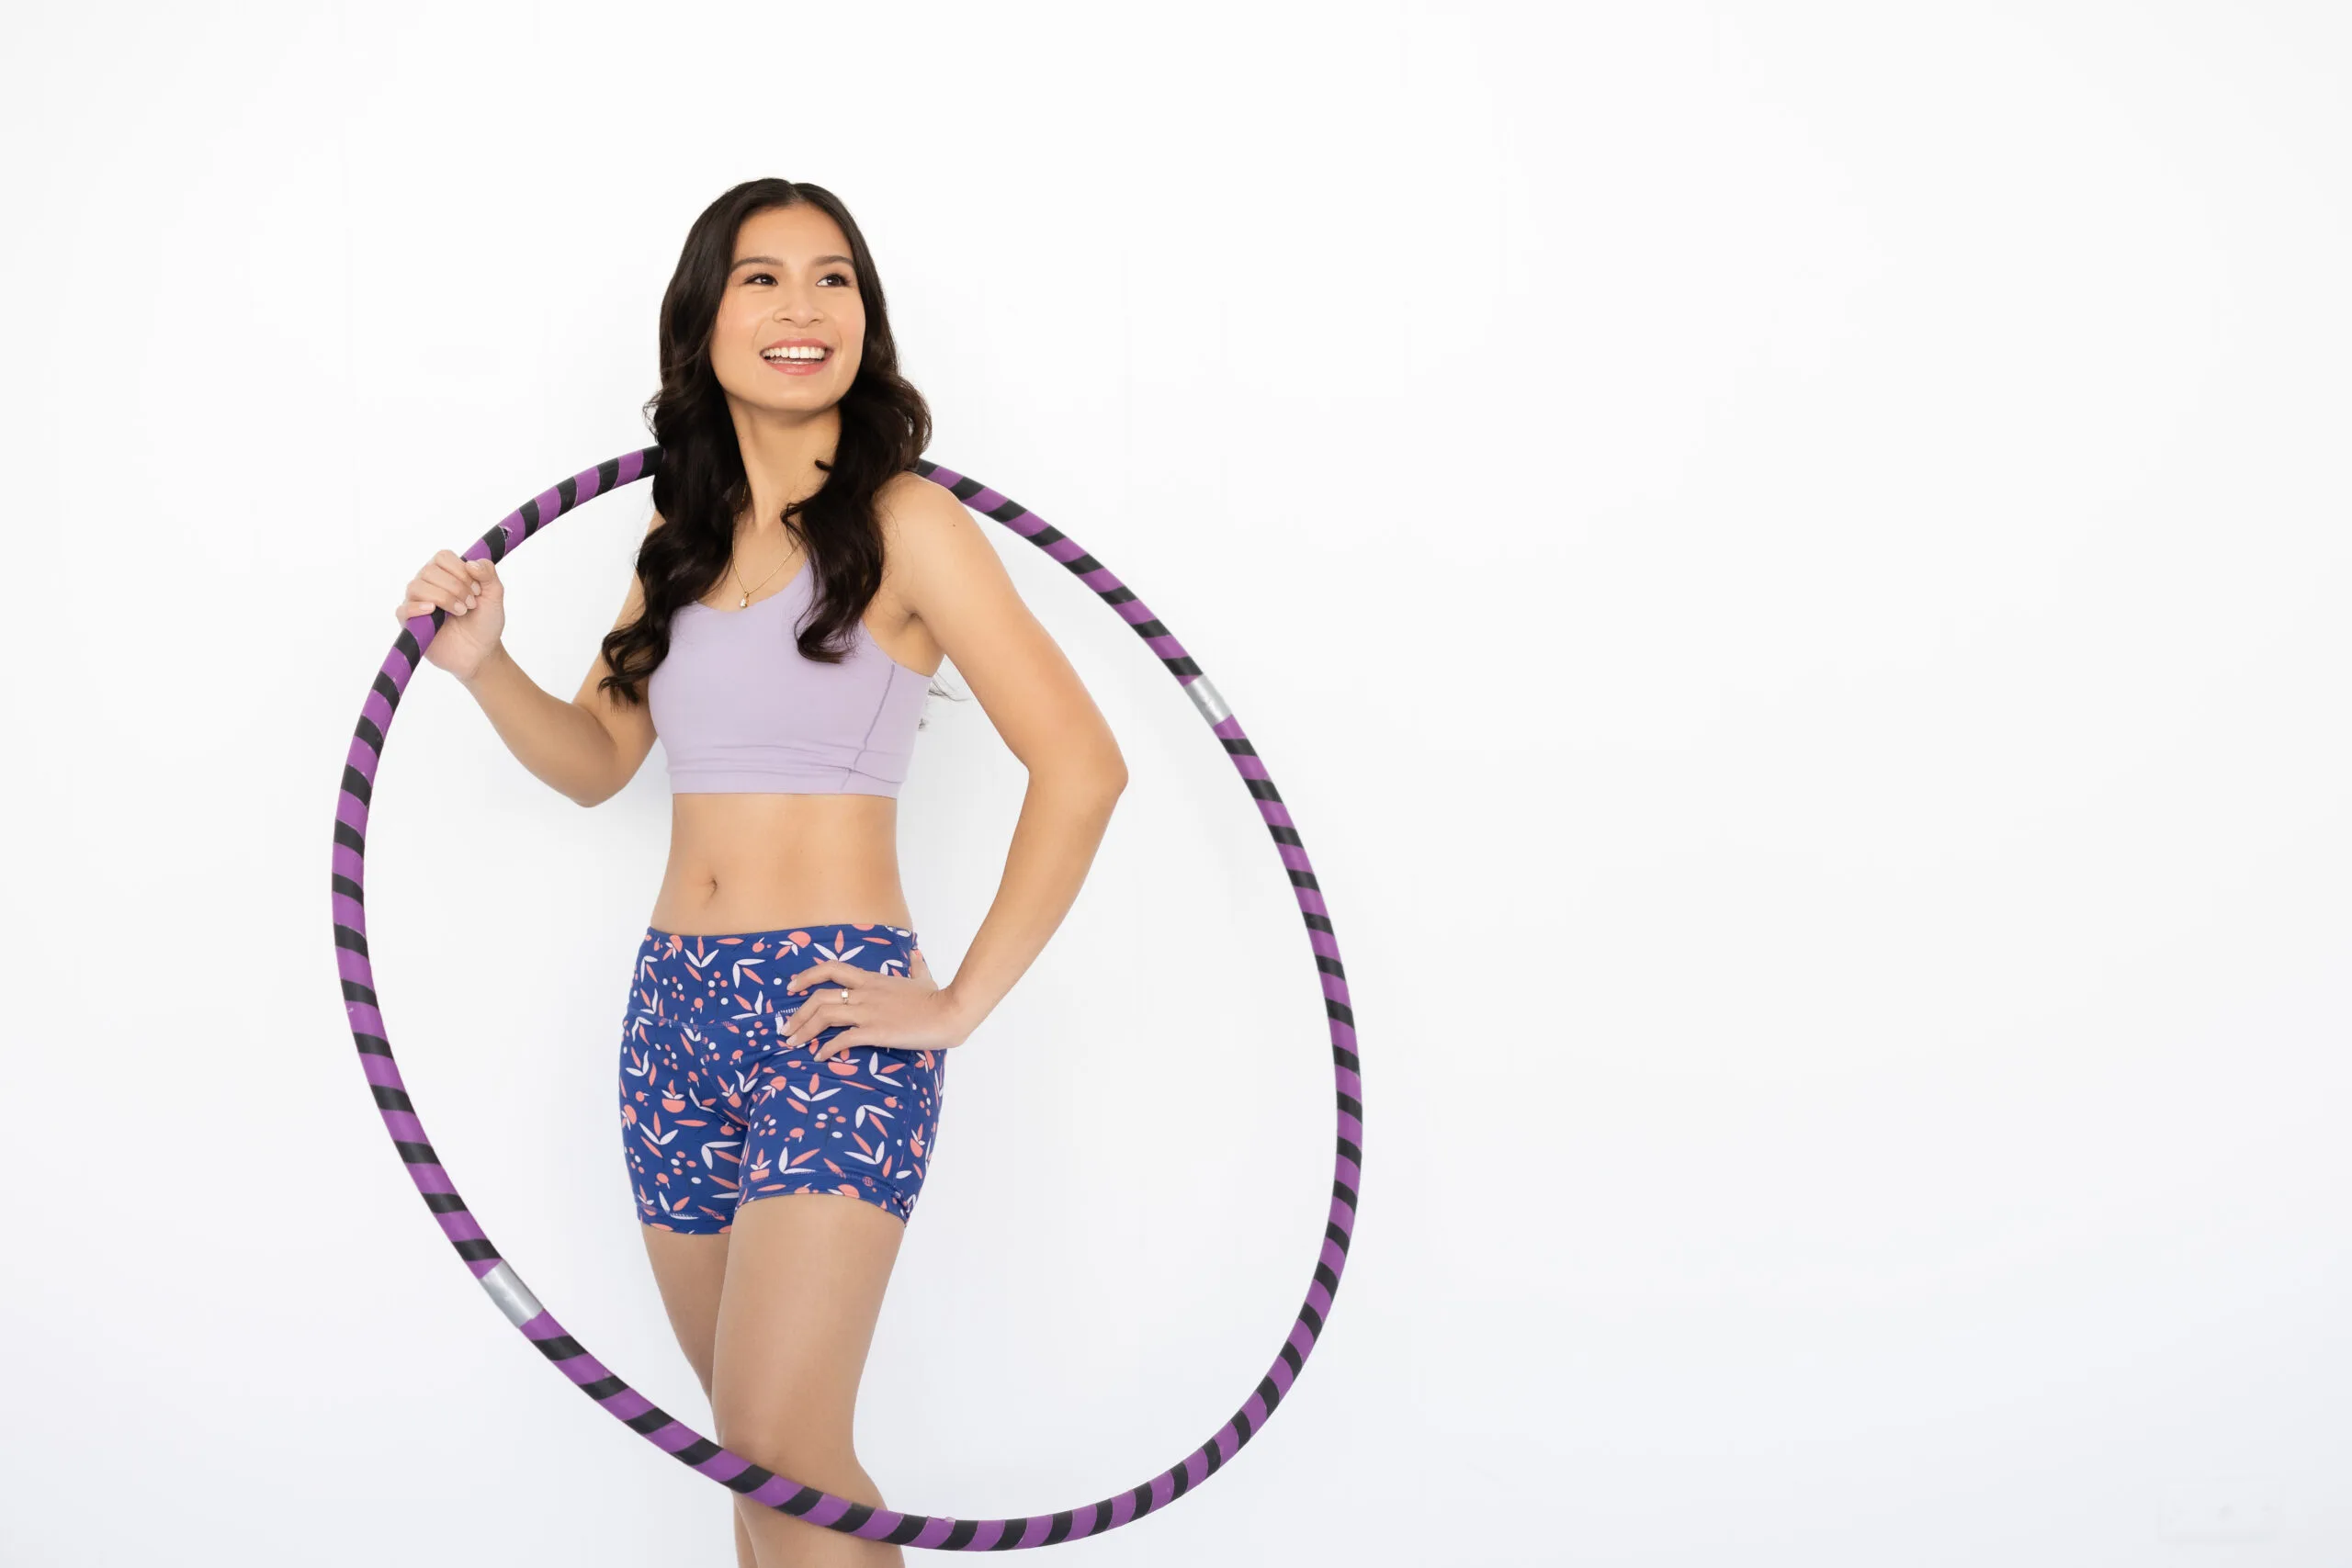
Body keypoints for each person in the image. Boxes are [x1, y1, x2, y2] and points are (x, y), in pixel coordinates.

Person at [390, 177, 1128, 1568]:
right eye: (764, 278)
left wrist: (955, 1001)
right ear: (704, 321)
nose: (804, 307)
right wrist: (483, 667)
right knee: (753, 1456)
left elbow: (1083, 767)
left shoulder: (908, 524)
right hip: (674, 1009)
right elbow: (600, 759)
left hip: (830, 1008)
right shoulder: (671, 546)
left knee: (788, 1440)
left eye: (834, 278)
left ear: (867, 318)